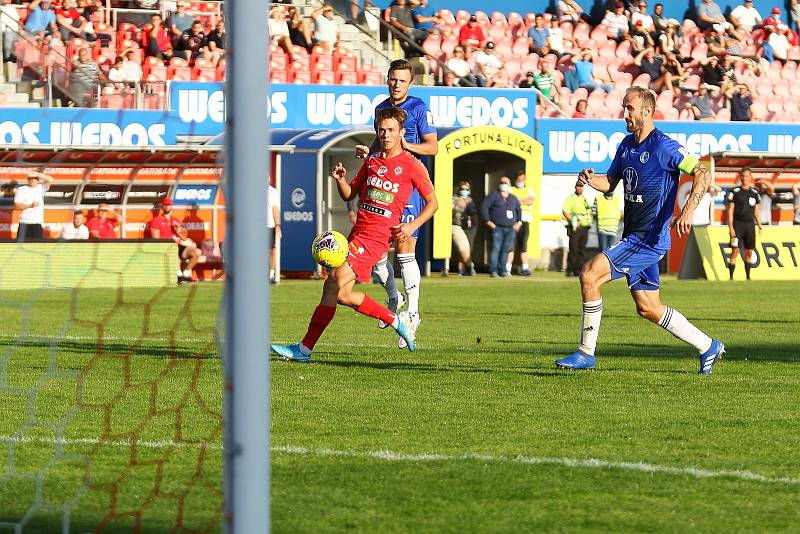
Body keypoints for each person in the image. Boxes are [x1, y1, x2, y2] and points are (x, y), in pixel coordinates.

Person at [555, 86, 724, 374]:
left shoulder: (664, 146)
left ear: (647, 110)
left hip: (647, 239)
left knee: (589, 274)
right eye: (624, 107)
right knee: (648, 307)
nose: (625, 114)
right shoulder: (626, 145)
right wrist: (589, 178)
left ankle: (586, 353)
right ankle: (707, 345)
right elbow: (611, 182)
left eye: (629, 108)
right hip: (633, 236)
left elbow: (701, 173)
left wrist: (688, 210)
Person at [271, 107, 438, 363]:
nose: (386, 135)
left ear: (402, 133)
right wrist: (340, 179)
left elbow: (433, 203)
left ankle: (305, 349)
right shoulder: (372, 161)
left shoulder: (412, 165)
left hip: (377, 237)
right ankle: (305, 349)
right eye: (381, 130)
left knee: (335, 281)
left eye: (391, 130)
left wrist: (411, 225)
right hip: (357, 232)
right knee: (336, 292)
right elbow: (349, 194)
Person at [354, 59, 438, 348]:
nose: (396, 84)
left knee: (404, 249)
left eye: (402, 80)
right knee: (378, 257)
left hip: (408, 184)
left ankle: (412, 314)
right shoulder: (381, 108)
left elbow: (433, 146)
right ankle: (394, 297)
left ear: (410, 83)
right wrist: (372, 152)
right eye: (392, 79)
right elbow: (382, 142)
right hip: (384, 185)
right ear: (387, 79)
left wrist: (403, 148)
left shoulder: (418, 107)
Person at [147, 198, 200, 283]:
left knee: (197, 252)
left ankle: (186, 274)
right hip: (165, 248)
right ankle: (179, 276)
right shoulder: (156, 220)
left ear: (171, 206)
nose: (167, 207)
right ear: (162, 206)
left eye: (169, 205)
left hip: (178, 246)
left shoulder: (176, 220)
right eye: (165, 205)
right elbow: (155, 240)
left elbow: (184, 238)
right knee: (174, 248)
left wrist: (178, 231)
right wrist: (170, 242)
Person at [481, 176, 522, 278]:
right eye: (502, 182)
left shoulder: (513, 198)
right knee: (496, 248)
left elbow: (518, 210)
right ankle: (493, 270)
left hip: (510, 228)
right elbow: (484, 207)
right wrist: (488, 221)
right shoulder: (493, 196)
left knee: (505, 250)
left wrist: (519, 222)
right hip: (497, 227)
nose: (503, 184)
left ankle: (503, 270)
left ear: (509, 185)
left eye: (506, 182)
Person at [726, 168, 762, 280]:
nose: (744, 178)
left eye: (746, 176)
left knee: (749, 252)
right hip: (737, 225)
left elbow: (756, 210)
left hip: (750, 225)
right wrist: (731, 227)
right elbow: (730, 210)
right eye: (742, 176)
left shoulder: (754, 193)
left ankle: (748, 277)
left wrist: (759, 224)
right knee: (735, 250)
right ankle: (731, 277)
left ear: (750, 177)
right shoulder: (734, 192)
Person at [562, 181, 592, 277]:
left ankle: (578, 270)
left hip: (585, 227)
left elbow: (588, 211)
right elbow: (565, 211)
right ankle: (570, 269)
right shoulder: (571, 198)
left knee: (581, 250)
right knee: (573, 249)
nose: (580, 188)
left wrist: (590, 221)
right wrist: (574, 221)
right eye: (578, 187)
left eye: (581, 187)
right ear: (575, 187)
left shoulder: (584, 198)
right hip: (576, 228)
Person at [508, 170, 535, 276]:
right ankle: (507, 268)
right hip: (513, 222)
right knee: (511, 246)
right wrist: (523, 201)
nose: (520, 181)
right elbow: (509, 201)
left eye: (522, 179)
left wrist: (518, 201)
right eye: (519, 180)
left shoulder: (529, 190)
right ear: (515, 180)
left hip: (525, 221)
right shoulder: (511, 189)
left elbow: (531, 201)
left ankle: (525, 268)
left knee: (523, 246)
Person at [448, 180, 477, 276]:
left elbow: (474, 213)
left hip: (468, 226)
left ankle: (464, 269)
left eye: (466, 189)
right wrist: (458, 206)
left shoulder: (470, 200)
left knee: (468, 248)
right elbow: (450, 211)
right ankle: (469, 267)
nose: (464, 191)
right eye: (462, 189)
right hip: (456, 225)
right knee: (462, 247)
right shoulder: (453, 199)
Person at [14, 170, 52, 241]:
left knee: (37, 248)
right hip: (24, 223)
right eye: (30, 178)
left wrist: (38, 174)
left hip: (37, 223)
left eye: (34, 178)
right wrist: (30, 205)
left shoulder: (41, 188)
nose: (32, 180)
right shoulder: (22, 189)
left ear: (37, 180)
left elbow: (50, 179)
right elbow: (16, 206)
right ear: (27, 180)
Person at [268, 184, 281, 284]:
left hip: (269, 225)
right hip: (255, 225)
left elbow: (275, 208)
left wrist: (277, 225)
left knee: (273, 250)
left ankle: (271, 275)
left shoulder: (272, 191)